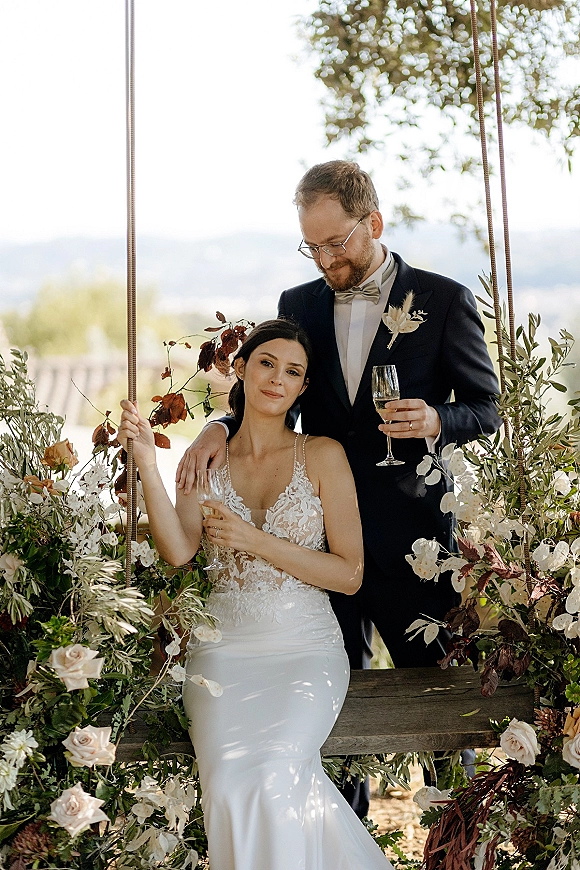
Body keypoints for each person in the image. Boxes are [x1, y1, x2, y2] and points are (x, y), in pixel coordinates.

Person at [176, 161, 502, 813]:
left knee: (440, 713)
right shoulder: (298, 306)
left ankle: (455, 838)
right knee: (325, 715)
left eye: (336, 243)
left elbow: (487, 410)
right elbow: (277, 400)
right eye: (311, 246)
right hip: (321, 549)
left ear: (373, 223)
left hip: (416, 549)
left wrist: (439, 419)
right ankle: (340, 834)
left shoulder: (443, 300)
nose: (324, 259)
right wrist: (220, 424)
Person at [118, 318, 394, 870]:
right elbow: (179, 550)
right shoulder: (206, 462)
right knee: (224, 783)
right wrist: (149, 464)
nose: (277, 379)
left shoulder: (323, 455)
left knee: (273, 773)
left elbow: (350, 574)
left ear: (302, 388)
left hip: (304, 650)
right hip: (222, 654)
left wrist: (254, 540)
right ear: (240, 369)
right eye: (266, 363)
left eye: (293, 372)